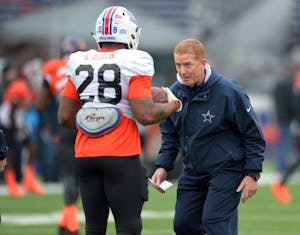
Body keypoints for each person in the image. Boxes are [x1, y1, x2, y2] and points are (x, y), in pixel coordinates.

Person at [57, 6, 181, 235]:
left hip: (85, 155)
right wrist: (174, 104)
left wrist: (94, 120)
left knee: (94, 227)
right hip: (121, 154)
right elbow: (145, 115)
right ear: (130, 33)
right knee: (128, 226)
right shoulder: (136, 59)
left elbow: (64, 117)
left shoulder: (79, 60)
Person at [151, 38, 265, 235]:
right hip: (193, 171)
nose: (182, 70)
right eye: (178, 65)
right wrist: (163, 166)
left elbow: (252, 134)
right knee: (183, 225)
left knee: (214, 222)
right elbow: (170, 136)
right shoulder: (173, 94)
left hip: (228, 169)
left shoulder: (229, 91)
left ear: (203, 63)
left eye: (188, 64)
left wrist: (252, 173)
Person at [36, 37, 87, 235]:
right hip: (88, 126)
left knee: (69, 176)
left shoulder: (53, 68)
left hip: (64, 126)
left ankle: (67, 222)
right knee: (85, 178)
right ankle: (71, 224)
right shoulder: (86, 65)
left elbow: (40, 104)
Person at [0, 61, 44, 197]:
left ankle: (28, 180)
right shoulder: (20, 87)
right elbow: (12, 110)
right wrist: (16, 128)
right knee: (10, 153)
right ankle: (12, 184)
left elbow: (23, 110)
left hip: (17, 121)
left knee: (32, 148)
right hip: (7, 122)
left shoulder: (32, 90)